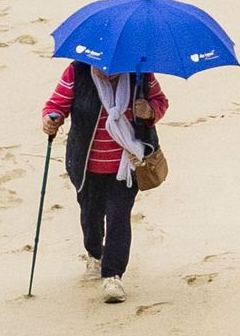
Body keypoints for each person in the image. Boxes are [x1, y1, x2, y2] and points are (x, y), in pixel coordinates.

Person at [41, 56, 168, 303]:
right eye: (103, 63)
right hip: (86, 166)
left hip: (126, 165)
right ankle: (94, 253)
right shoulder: (77, 72)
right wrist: (51, 119)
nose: (109, 69)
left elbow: (160, 101)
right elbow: (56, 104)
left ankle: (113, 276)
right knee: (91, 215)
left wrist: (150, 110)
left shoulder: (139, 75)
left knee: (119, 216)